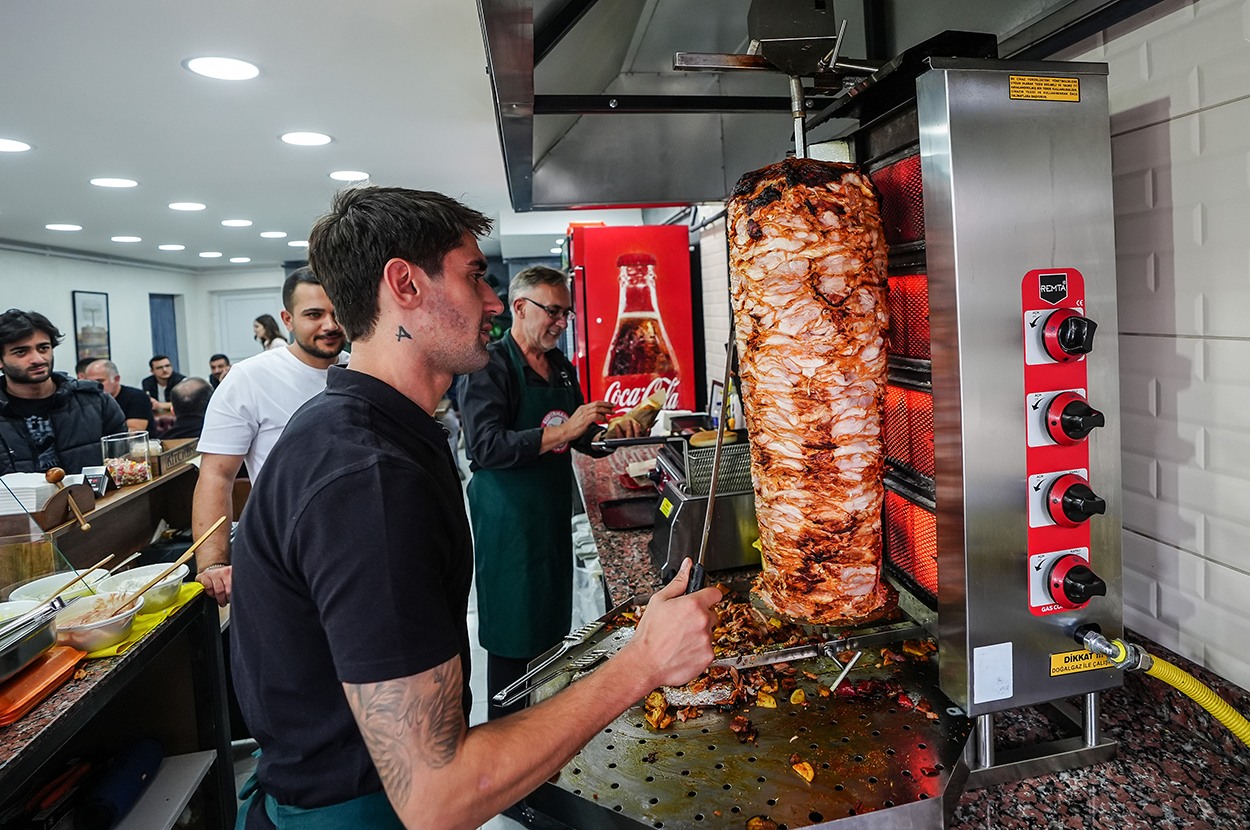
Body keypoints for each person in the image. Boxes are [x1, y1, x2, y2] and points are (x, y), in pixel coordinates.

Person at [229, 185, 719, 830]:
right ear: (403, 284)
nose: (494, 302)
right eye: (476, 276)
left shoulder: (373, 429)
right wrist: (644, 663)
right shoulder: (367, 479)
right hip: (357, 812)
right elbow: (438, 796)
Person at [460, 265, 643, 723]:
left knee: (548, 629)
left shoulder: (561, 367)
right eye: (554, 312)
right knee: (512, 635)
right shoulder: (489, 365)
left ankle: (541, 735)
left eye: (566, 314)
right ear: (520, 307)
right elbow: (484, 447)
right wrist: (570, 426)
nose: (562, 323)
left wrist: (612, 434)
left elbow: (580, 439)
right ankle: (503, 749)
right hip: (508, 523)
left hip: (550, 516)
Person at [191, 268, 348, 605]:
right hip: (284, 552)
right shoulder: (249, 378)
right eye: (314, 315)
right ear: (287, 319)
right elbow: (217, 475)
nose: (330, 325)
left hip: (356, 546)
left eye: (337, 313)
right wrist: (214, 562)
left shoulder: (363, 370)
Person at [0, 310, 126, 474]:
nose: (38, 359)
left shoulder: (96, 402)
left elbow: (124, 465)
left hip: (96, 499)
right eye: (21, 352)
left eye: (43, 348)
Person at [83, 359, 155, 434]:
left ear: (116, 379)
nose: (95, 386)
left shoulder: (138, 397)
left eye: (100, 381)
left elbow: (133, 432)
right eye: (90, 382)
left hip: (138, 444)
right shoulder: (89, 401)